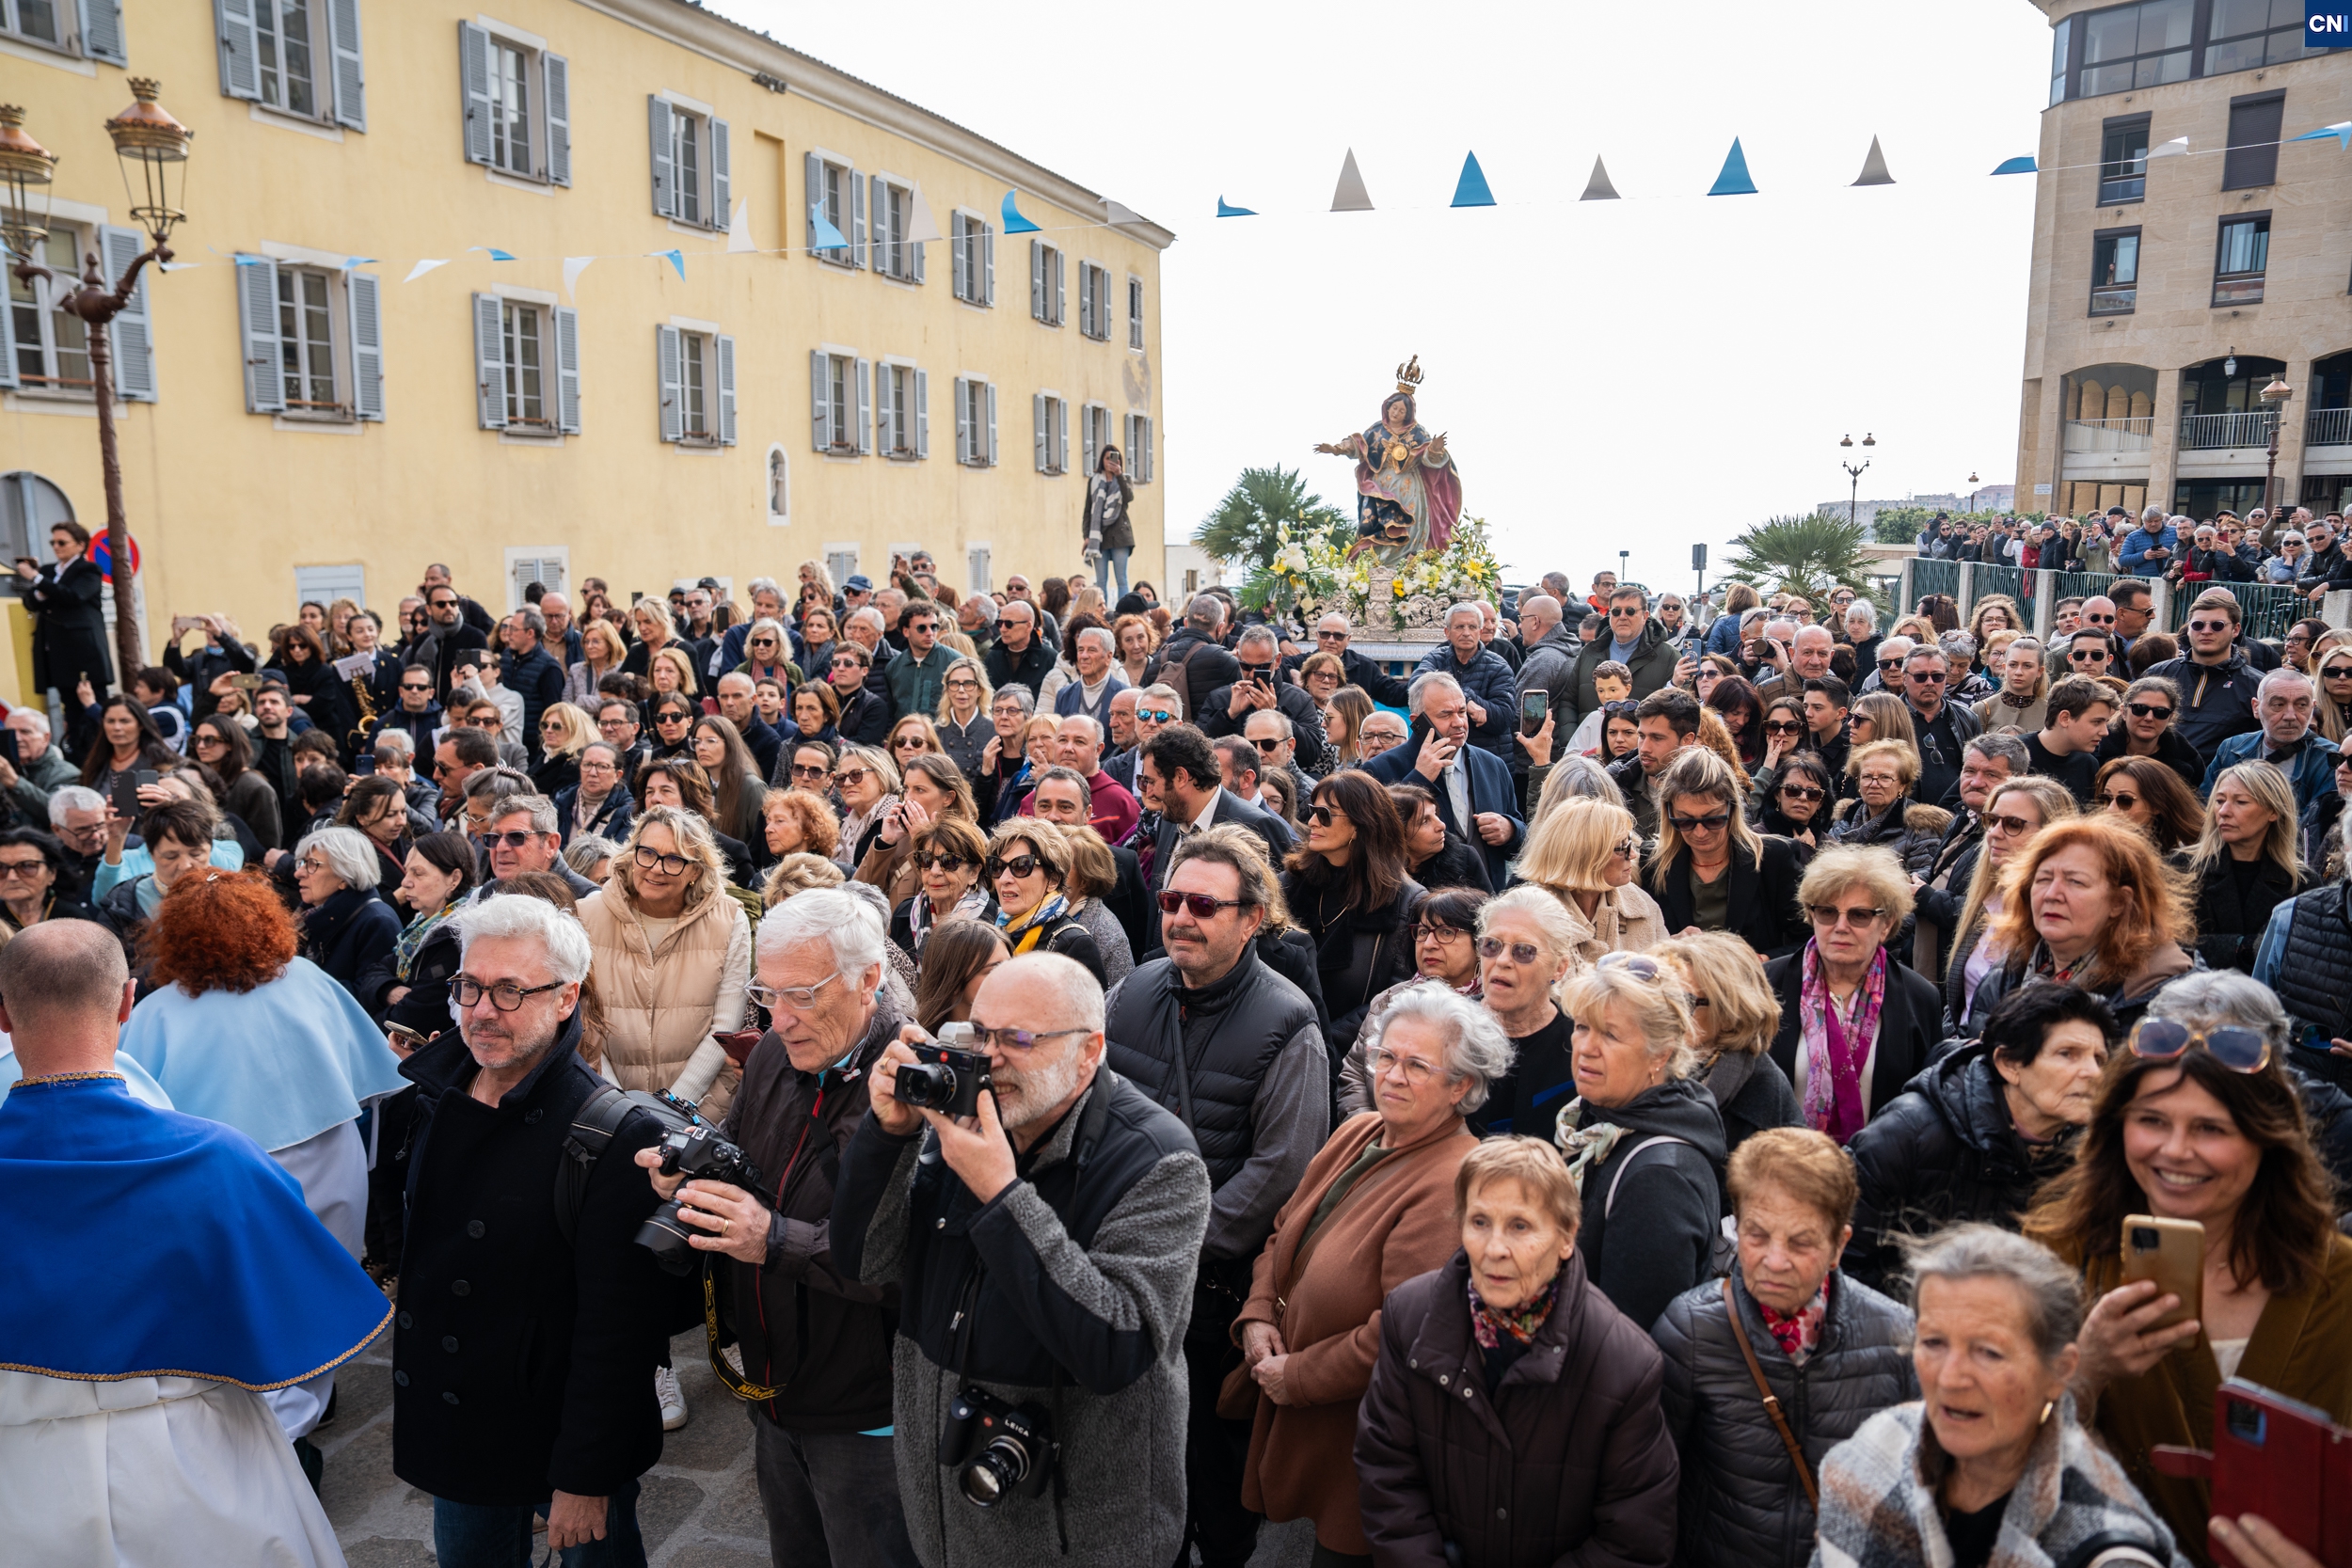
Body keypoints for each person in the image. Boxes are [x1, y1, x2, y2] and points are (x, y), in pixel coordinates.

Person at [0, 922, 391, 1567]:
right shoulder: (218, 1159)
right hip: (198, 1474)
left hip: (19, 1489)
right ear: (128, 1000)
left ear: (3, 1016)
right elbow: (307, 1327)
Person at [834, 951, 1214, 1568]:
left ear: (1089, 1050)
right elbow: (864, 1261)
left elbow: (1114, 1349)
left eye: (1018, 1037)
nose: (990, 1057)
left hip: (1076, 1534)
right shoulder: (965, 1114)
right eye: (979, 1033)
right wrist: (889, 1137)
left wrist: (1002, 1196)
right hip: (947, 1517)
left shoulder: (1160, 1162)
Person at [628, 889, 919, 1568]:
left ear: (869, 978)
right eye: (767, 992)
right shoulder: (772, 1054)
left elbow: (902, 1263)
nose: (779, 1019)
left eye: (803, 995)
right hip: (775, 1388)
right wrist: (687, 1173)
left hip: (868, 1411)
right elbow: (737, 1144)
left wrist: (772, 1239)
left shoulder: (913, 1084)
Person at [2023, 971, 2352, 1564]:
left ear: (2267, 1140)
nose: (2175, 1151)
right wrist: (2087, 1370)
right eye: (2152, 1121)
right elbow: (1988, 1461)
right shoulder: (2058, 1259)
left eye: (2210, 1129)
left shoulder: (2341, 1282)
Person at [392, 894, 679, 1564]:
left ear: (565, 998)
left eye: (510, 990)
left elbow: (618, 1333)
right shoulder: (437, 1095)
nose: (482, 1009)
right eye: (468, 986)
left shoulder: (611, 1132)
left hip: (562, 1433)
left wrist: (585, 1475)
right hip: (463, 1422)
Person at [1096, 823, 1327, 1566]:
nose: (1180, 916)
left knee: (1210, 1471)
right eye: (1171, 899)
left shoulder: (1288, 1020)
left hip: (1209, 1292)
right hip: (1117, 1271)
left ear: (1252, 917)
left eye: (1204, 903)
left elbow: (1280, 1170)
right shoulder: (1130, 987)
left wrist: (1174, 1242)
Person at [117, 870, 403, 1440]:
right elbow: (370, 1071)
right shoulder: (305, 978)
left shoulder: (158, 1011)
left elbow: (138, 1110)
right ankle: (308, 1399)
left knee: (255, 1298)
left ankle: (281, 1428)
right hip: (327, 1153)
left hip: (227, 1176)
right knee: (324, 1282)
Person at [1231, 987, 1495, 1566]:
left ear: (1463, 1087)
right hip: (1294, 1395)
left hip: (1360, 1435)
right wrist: (1255, 1315)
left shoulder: (1452, 1181)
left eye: (1418, 1065)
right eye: (1386, 1057)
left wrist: (1297, 1376)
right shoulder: (1358, 1131)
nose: (1393, 1076)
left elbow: (1405, 1333)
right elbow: (1282, 1231)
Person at [1811, 1224, 2190, 1568]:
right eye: (1933, 1342)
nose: (1950, 1377)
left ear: (2059, 1371)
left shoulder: (2106, 1547)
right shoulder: (1872, 1457)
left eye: (1989, 1352)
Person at [1650, 1128, 1917, 1568]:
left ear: (1839, 1246)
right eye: (1757, 1236)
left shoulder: (1898, 1337)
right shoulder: (1691, 1332)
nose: (1775, 1261)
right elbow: (1655, 1492)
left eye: (1801, 1242)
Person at [1846, 981, 2116, 1292]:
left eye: (2099, 1059)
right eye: (2068, 1054)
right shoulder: (1908, 1133)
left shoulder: (2093, 1155)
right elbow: (1844, 1264)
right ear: (2009, 1064)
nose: (2093, 1073)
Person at [1552, 952, 1727, 1331]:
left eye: (1610, 1034)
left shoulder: (1660, 1179)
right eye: (1582, 1027)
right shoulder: (1593, 1120)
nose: (1587, 1047)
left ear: (1660, 1054)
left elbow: (1632, 1337)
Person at [578, 804, 752, 1137]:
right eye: (647, 853)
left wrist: (673, 1103)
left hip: (700, 1106)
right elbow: (585, 1018)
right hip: (605, 1101)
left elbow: (726, 1022)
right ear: (632, 853)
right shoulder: (587, 914)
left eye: (674, 859)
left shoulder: (730, 919)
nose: (656, 869)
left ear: (696, 871)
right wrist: (619, 1103)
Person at [1762, 845, 1944, 1146]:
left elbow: (1924, 1108)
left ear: (1885, 925)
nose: (1841, 927)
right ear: (1811, 915)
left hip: (1881, 1176)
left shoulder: (1919, 997)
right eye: (1827, 912)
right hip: (1778, 1170)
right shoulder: (1769, 985)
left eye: (1859, 915)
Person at [1964, 816, 2197, 1036]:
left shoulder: (2165, 994)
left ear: (2119, 902)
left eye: (2075, 881)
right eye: (2043, 879)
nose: (2052, 894)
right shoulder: (2006, 972)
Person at [1280, 770, 1422, 1056]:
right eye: (1312, 811)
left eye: (1325, 814)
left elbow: (1398, 995)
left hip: (1352, 1055)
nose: (1312, 822)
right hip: (1279, 1041)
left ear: (1360, 824)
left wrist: (1323, 1042)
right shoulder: (1289, 884)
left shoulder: (1406, 901)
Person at [1333, 885, 1490, 1116]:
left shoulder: (1492, 1010)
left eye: (1446, 932)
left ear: (1480, 943)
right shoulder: (1389, 1000)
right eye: (1423, 932)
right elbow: (1354, 1073)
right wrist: (1369, 1131)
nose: (1429, 944)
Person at [1362, 673, 1526, 891]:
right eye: (1446, 714)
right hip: (1421, 910)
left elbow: (1521, 834)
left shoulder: (1493, 765)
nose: (1458, 723)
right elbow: (1375, 841)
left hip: (1486, 905)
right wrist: (1419, 779)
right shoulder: (1379, 769)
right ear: (1417, 721)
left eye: (1462, 712)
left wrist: (1510, 829)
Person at [1943, 777, 2081, 1032]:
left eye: (2013, 824)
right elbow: (1960, 1003)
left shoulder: (2063, 915)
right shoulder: (1986, 899)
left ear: (2052, 834)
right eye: (1992, 821)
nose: (1994, 833)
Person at [1648, 748, 1810, 958]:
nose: (1699, 832)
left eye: (1713, 820)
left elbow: (1809, 940)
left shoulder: (1773, 858)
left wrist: (1764, 960)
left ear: (1732, 809)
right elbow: (1638, 944)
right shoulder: (1652, 863)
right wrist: (1667, 945)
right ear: (1668, 813)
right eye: (1685, 821)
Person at [1653, 931, 1803, 1158]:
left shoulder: (1761, 1096)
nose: (1666, 1013)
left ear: (1729, 1013)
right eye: (1661, 997)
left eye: (1684, 1001)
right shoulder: (1653, 1063)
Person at [1518, 795, 1665, 972]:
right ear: (1588, 855)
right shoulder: (1526, 914)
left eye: (1631, 844)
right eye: (1623, 847)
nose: (1633, 855)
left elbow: (1663, 984)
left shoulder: (1642, 905)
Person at [2189, 761, 2307, 975]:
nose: (2223, 812)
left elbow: (2303, 957)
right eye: (2219, 801)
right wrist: (2245, 946)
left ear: (2273, 811)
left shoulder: (2300, 883)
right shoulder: (2182, 870)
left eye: (2240, 802)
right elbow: (2168, 945)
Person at [17, 520, 113, 752]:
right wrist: (42, 588)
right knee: (70, 709)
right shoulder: (50, 571)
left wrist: (38, 580)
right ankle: (78, 756)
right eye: (53, 542)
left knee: (92, 707)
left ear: (80, 545)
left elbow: (73, 596)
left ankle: (99, 753)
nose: (56, 547)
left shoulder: (89, 570)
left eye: (62, 542)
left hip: (84, 655)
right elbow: (30, 601)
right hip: (58, 655)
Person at [981, 816, 1105, 985]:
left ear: (1053, 880)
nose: (1004, 879)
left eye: (1021, 866)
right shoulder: (996, 929)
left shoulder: (1074, 944)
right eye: (997, 866)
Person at [292, 824, 404, 1010]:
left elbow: (369, 994)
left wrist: (300, 988)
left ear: (344, 877)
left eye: (312, 865)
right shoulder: (309, 913)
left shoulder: (377, 922)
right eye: (302, 863)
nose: (299, 873)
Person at [2146, 590, 2264, 765]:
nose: (2206, 631)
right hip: (2154, 780)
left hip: (2221, 786)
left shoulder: (2258, 685)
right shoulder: (2158, 674)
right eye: (2198, 625)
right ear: (2188, 629)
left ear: (2235, 629)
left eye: (2217, 625)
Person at [2201, 668, 2340, 815]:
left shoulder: (2331, 758)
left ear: (2312, 707)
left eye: (2301, 705)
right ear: (2256, 707)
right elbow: (2205, 806)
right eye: (2278, 705)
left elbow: (2316, 826)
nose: (2290, 716)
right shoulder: (2232, 748)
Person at [1829, 738, 1952, 875]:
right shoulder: (1845, 819)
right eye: (1867, 777)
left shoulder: (1919, 828)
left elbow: (1924, 877)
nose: (1874, 784)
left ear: (1902, 786)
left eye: (1885, 777)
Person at [2095, 753, 2204, 861]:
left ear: (2157, 805)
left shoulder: (2187, 860)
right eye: (2106, 799)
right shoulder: (2089, 849)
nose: (2110, 809)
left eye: (2125, 801)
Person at [1388, 780, 1491, 894]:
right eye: (1424, 821)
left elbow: (1489, 909)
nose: (1441, 826)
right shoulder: (1377, 877)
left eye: (1436, 814)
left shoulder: (1465, 858)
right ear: (1398, 832)